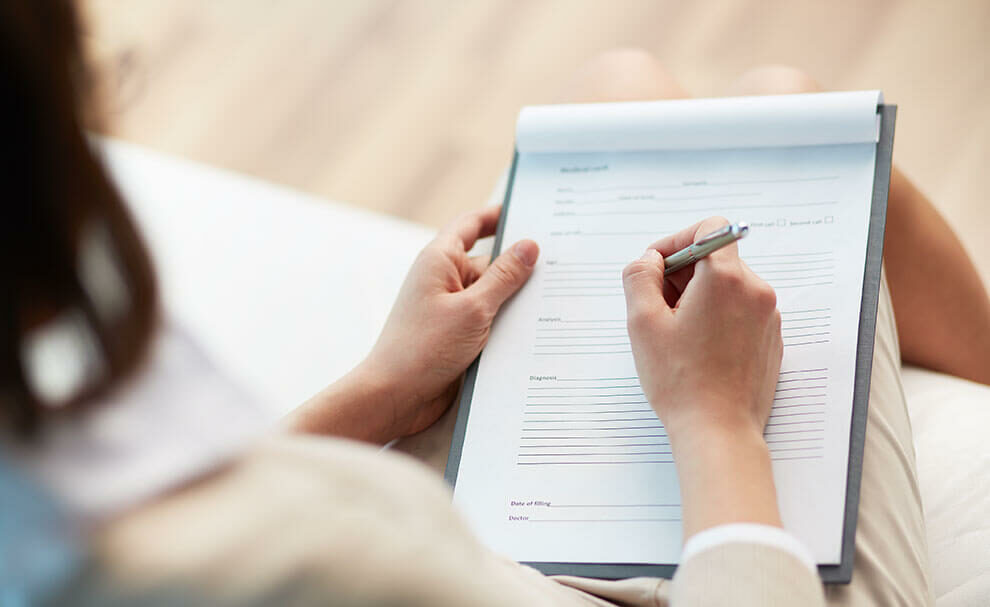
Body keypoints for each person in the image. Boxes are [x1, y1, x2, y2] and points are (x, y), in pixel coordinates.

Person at [2, 1, 989, 604]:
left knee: (621, 87)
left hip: (501, 561)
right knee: (799, 123)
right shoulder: (272, 565)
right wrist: (716, 423)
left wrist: (380, 392)